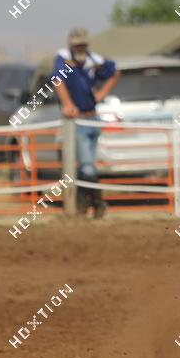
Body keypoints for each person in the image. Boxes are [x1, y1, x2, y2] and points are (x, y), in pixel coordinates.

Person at [51, 27, 120, 218]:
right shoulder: (63, 58)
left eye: (83, 44)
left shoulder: (93, 60)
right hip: (78, 120)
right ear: (71, 44)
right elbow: (57, 80)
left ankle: (81, 206)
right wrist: (67, 104)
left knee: (85, 166)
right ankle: (98, 203)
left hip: (93, 119)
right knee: (88, 166)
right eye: (77, 44)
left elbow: (115, 72)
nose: (80, 47)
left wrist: (102, 93)